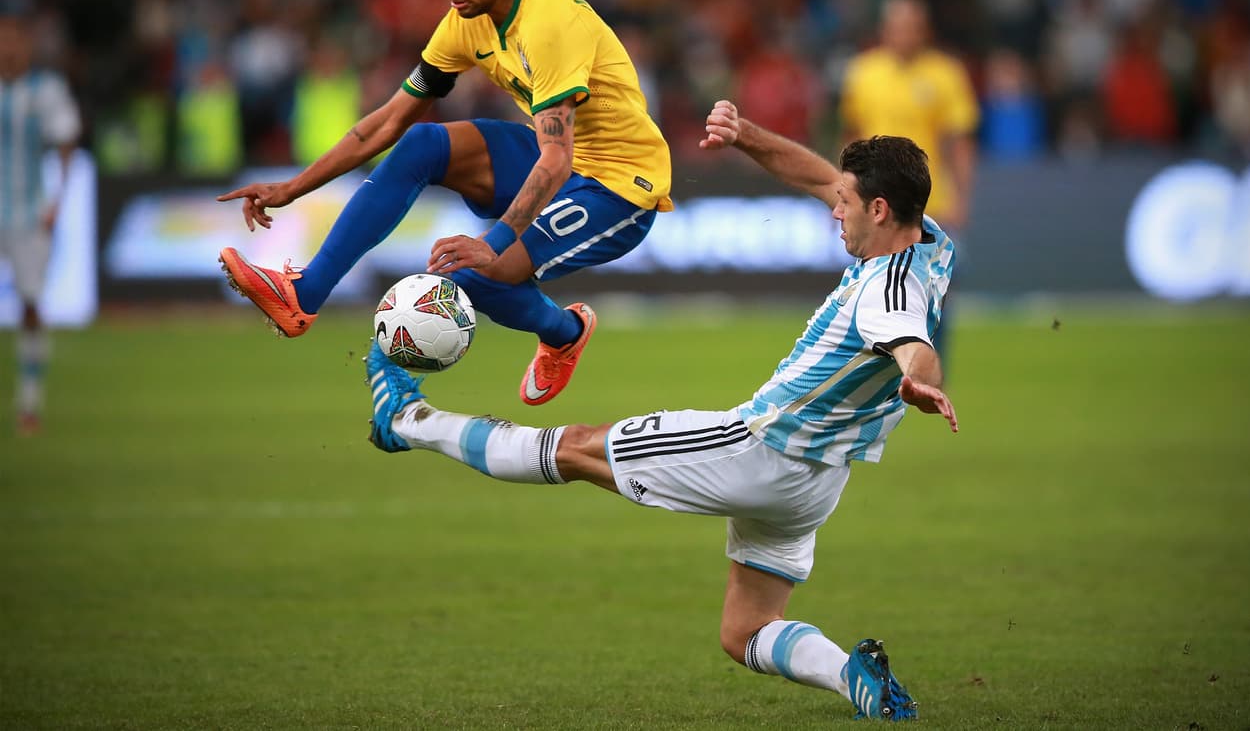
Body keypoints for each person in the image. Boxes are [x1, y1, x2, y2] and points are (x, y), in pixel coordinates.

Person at [360, 100, 957, 719]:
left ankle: (407, 421)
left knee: (573, 450)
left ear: (880, 210)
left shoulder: (888, 291)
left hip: (757, 449)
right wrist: (749, 135)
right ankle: (853, 677)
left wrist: (920, 380)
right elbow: (815, 177)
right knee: (746, 631)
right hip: (818, 483)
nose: (835, 209)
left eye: (849, 204)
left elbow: (913, 341)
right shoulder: (932, 246)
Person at [217, 0, 672, 406]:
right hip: (560, 161)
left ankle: (564, 332)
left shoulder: (551, 25)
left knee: (475, 271)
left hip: (619, 186)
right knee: (420, 144)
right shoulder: (465, 23)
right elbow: (385, 123)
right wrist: (291, 187)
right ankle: (303, 295)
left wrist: (493, 242)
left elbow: (556, 158)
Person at [838, 0, 977, 364]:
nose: (904, 34)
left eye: (911, 27)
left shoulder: (946, 73)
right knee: (869, 293)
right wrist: (844, 193)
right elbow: (850, 136)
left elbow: (958, 142)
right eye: (897, 27)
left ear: (924, 31)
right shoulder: (863, 73)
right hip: (873, 205)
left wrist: (963, 196)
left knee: (934, 297)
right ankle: (874, 375)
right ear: (885, 30)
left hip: (933, 203)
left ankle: (928, 375)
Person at [0, 13, 81, 436]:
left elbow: (67, 142)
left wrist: (57, 201)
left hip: (28, 213)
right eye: (3, 41)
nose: (8, 49)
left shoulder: (44, 91)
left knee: (30, 305)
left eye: (14, 41)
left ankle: (29, 402)